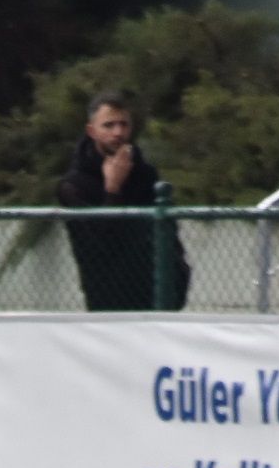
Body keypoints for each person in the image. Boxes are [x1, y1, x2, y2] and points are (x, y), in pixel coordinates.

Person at [56, 94, 189, 311]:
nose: (118, 132)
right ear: (92, 131)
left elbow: (167, 230)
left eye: (123, 124)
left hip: (156, 294)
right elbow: (97, 243)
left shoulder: (145, 174)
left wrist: (179, 271)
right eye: (108, 125)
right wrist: (112, 190)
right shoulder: (74, 185)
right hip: (109, 298)